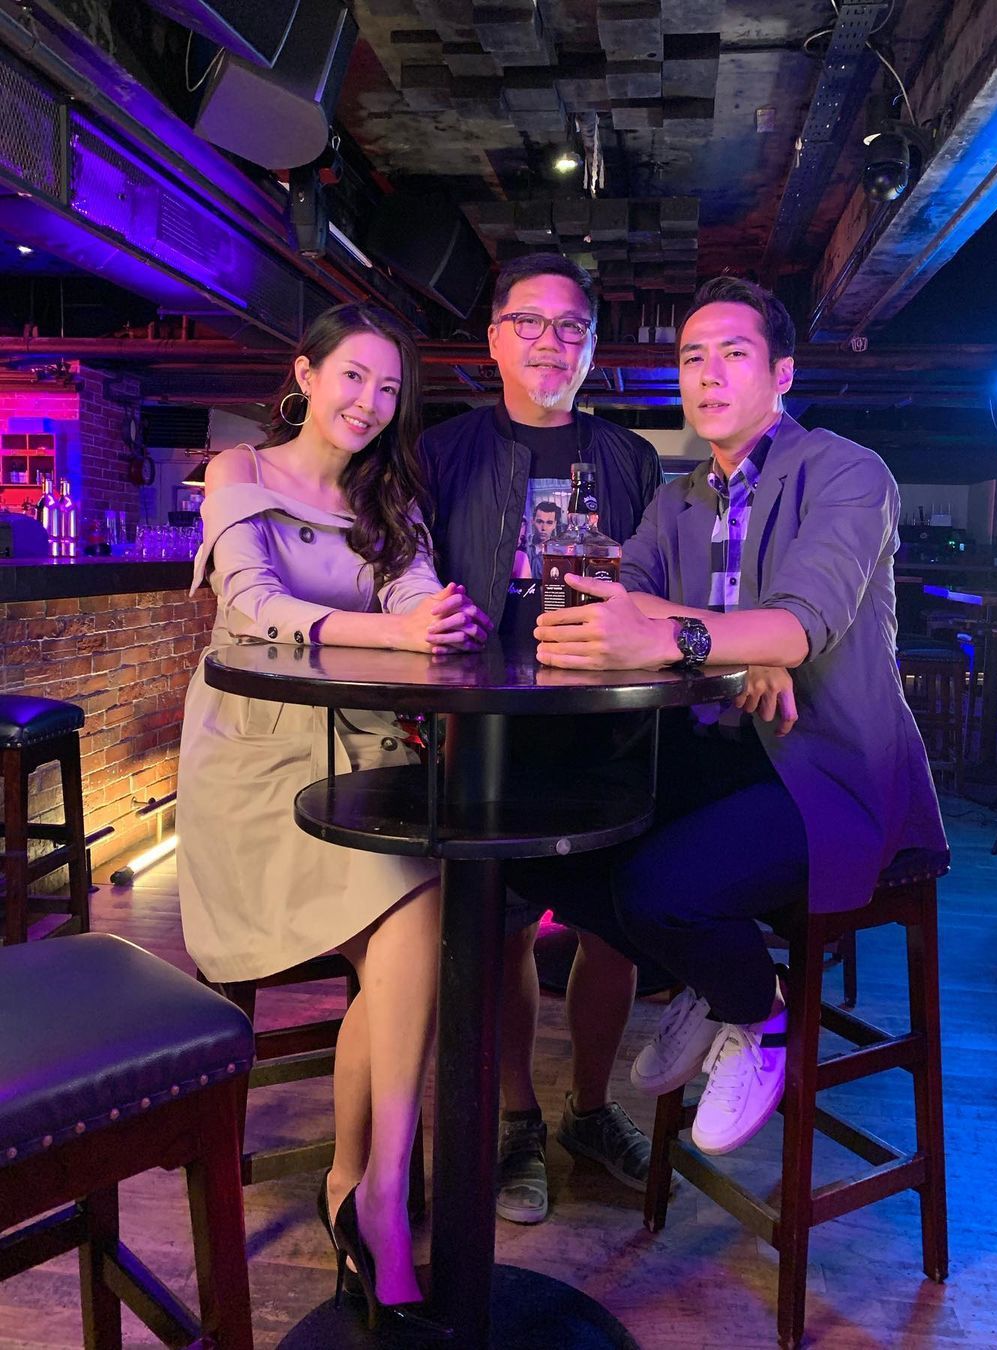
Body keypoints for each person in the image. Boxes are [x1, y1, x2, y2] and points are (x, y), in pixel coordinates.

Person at [534, 274, 947, 1156]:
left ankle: (759, 1018)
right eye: (693, 357)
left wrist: (701, 637)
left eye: (734, 353)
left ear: (782, 373)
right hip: (717, 755)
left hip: (829, 771)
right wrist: (730, 639)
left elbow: (799, 624)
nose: (709, 374)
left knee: (660, 889)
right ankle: (707, 977)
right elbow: (618, 594)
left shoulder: (847, 473)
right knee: (547, 849)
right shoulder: (679, 496)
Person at [177, 303, 489, 1338]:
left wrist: (437, 618)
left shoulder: (387, 495)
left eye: (390, 388)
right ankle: (368, 1198)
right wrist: (396, 633)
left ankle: (372, 1187)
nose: (370, 402)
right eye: (354, 376)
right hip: (255, 762)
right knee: (412, 912)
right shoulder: (239, 471)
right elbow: (254, 608)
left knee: (419, 908)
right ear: (305, 374)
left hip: (364, 751)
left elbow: (417, 596)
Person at [419, 253, 663, 1224]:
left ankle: (589, 1111)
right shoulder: (443, 453)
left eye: (570, 327)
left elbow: (659, 591)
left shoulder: (631, 459)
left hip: (607, 732)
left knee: (615, 927)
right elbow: (401, 581)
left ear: (592, 348)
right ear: (493, 339)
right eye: (528, 322)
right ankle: (518, 1120)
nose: (550, 342)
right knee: (504, 931)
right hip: (488, 739)